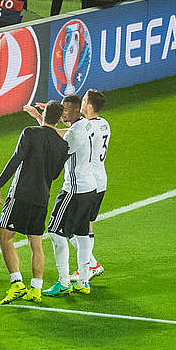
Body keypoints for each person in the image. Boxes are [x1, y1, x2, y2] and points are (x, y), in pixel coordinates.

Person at [0, 101, 71, 305]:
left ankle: (17, 283)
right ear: (59, 118)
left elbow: (16, 158)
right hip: (41, 198)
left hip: (20, 195)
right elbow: (54, 175)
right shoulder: (63, 145)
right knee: (36, 243)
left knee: (4, 237)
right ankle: (36, 289)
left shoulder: (30, 132)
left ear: (43, 114)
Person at [41, 90, 110, 296]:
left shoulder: (75, 132)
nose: (63, 113)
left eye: (67, 110)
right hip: (91, 187)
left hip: (74, 189)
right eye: (62, 109)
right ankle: (83, 281)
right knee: (82, 234)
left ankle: (63, 281)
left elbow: (58, 156)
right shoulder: (89, 125)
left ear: (79, 109)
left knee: (54, 232)